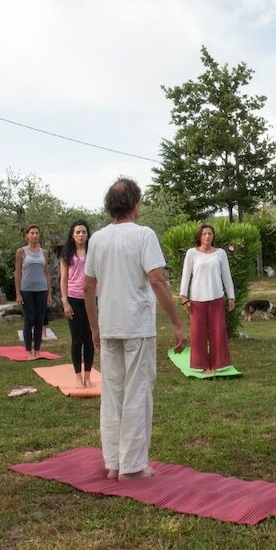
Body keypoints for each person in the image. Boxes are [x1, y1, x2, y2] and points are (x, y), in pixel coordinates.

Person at [84, 178, 187, 481]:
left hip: (109, 325)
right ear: (134, 204)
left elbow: (88, 286)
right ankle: (131, 467)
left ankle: (114, 462)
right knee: (137, 392)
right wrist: (178, 324)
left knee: (113, 393)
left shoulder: (98, 239)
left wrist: (94, 327)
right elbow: (156, 279)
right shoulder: (144, 235)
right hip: (137, 325)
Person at [179, 224, 236, 374]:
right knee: (198, 334)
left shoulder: (220, 253)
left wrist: (231, 296)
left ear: (213, 236)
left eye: (210, 234)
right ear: (200, 236)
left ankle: (217, 364)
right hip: (197, 300)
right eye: (204, 234)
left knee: (218, 332)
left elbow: (226, 276)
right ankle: (203, 365)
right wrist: (184, 296)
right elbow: (186, 276)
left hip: (216, 297)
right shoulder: (192, 253)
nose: (207, 236)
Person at [60, 219, 96, 388]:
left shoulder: (93, 252)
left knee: (90, 338)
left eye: (83, 232)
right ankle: (77, 376)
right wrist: (65, 302)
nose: (81, 235)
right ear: (72, 236)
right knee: (77, 339)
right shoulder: (67, 254)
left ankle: (88, 376)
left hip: (91, 298)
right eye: (78, 232)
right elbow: (63, 280)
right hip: (73, 298)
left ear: (88, 235)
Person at [14, 224, 51, 360]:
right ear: (27, 235)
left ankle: (37, 350)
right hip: (26, 290)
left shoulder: (44, 252)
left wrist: (49, 294)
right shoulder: (21, 252)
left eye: (37, 233)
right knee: (29, 319)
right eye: (32, 233)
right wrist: (18, 293)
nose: (35, 235)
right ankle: (28, 351)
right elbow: (17, 273)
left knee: (39, 320)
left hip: (42, 289)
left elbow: (46, 273)